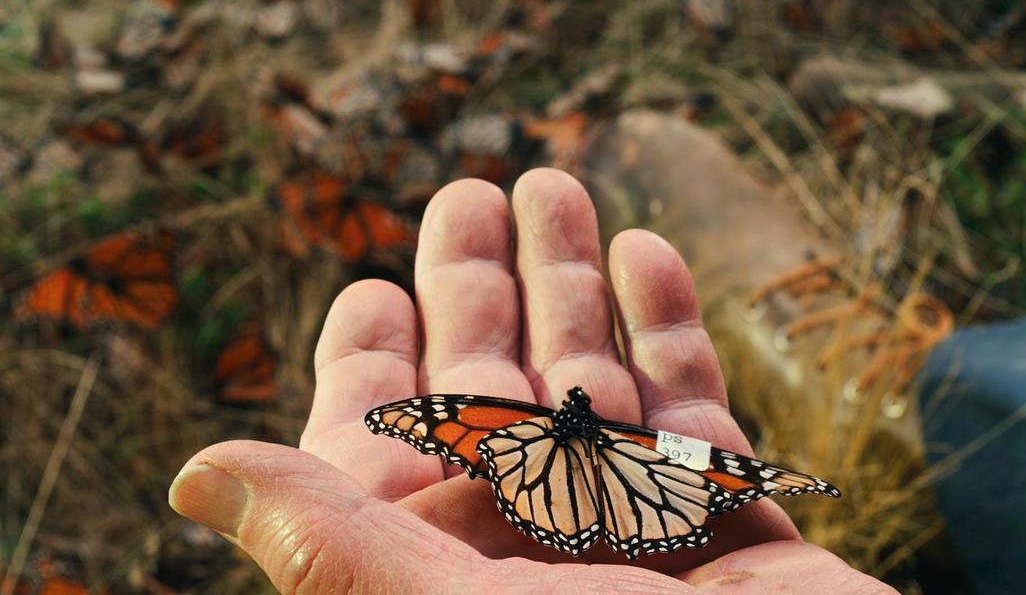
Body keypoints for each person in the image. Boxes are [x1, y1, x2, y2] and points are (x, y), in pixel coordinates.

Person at [169, 168, 894, 593]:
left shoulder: (521, 428)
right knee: (682, 464)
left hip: (555, 483)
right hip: (635, 488)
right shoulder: (636, 443)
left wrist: (755, 479)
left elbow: (704, 466)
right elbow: (692, 464)